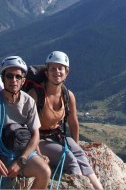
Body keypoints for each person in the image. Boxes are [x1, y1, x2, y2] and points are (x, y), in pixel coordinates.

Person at [0, 55, 51, 189]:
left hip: (21, 153)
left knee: (45, 172)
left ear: (23, 81)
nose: (13, 80)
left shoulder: (28, 102)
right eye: (9, 76)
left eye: (18, 77)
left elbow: (35, 135)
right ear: (3, 78)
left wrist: (22, 160)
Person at [29, 51, 103, 189]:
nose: (57, 71)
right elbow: (27, 127)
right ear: (46, 72)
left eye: (60, 68)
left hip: (57, 135)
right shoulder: (35, 95)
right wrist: (37, 153)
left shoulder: (67, 95)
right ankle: (81, 186)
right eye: (53, 68)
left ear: (66, 72)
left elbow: (73, 122)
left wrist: (75, 144)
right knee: (69, 158)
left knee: (80, 154)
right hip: (39, 139)